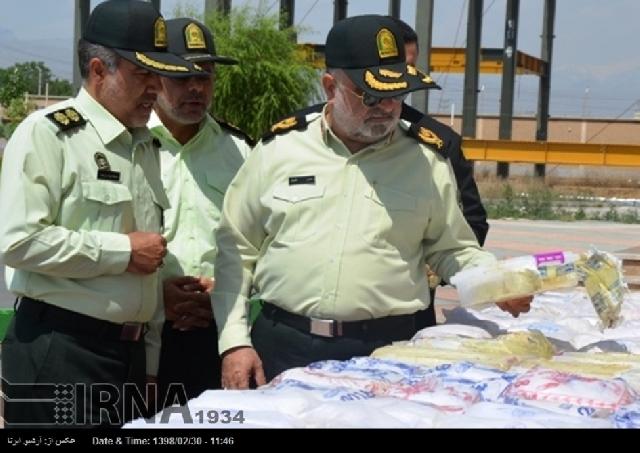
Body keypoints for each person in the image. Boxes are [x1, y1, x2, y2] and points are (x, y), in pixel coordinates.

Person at [211, 15, 532, 388]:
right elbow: (235, 250)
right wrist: (234, 343)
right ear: (330, 86)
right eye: (370, 95)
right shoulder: (278, 151)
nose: (387, 107)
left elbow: (452, 248)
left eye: (397, 94)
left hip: (387, 352)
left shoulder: (426, 162)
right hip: (284, 347)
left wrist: (495, 281)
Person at [0, 0, 205, 428]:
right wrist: (121, 252)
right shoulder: (49, 134)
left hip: (125, 358)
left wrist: (149, 364)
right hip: (61, 351)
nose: (156, 87)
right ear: (98, 70)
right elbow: (17, 241)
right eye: (142, 73)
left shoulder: (143, 145)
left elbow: (146, 271)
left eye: (159, 74)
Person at [149, 18, 252, 407]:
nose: (196, 87)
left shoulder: (240, 151)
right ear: (153, 77)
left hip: (218, 335)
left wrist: (225, 294)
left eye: (205, 76)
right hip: (142, 336)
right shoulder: (128, 144)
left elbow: (260, 243)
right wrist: (155, 299)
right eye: (181, 77)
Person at [391, 17, 489, 330]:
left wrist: (436, 268)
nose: (404, 78)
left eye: (410, 66)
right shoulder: (306, 138)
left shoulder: (438, 141)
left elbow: (473, 222)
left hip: (408, 319)